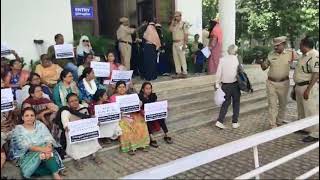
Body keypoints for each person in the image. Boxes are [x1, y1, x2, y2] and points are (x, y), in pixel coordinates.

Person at [9, 107, 64, 179]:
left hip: (46, 153)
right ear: (22, 118)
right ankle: (54, 170)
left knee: (46, 147)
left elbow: (48, 138)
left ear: (35, 117)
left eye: (32, 115)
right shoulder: (18, 129)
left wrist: (48, 147)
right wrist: (43, 149)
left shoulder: (39, 125)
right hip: (26, 155)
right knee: (34, 170)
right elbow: (25, 146)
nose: (30, 118)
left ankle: (56, 175)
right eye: (27, 115)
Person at [257, 36, 297, 129]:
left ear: (283, 44)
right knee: (272, 104)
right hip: (271, 83)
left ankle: (279, 121)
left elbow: (303, 59)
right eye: (274, 45)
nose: (275, 47)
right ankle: (272, 124)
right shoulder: (270, 54)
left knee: (283, 103)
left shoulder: (290, 54)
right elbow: (264, 67)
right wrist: (260, 62)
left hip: (284, 83)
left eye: (277, 45)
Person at [60, 93, 102, 170]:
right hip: (72, 133)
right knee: (75, 145)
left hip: (84, 131)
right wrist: (69, 128)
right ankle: (77, 160)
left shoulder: (83, 107)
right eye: (71, 101)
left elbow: (89, 119)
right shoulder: (65, 111)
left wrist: (95, 123)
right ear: (68, 103)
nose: (74, 102)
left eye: (76, 100)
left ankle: (94, 155)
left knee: (92, 138)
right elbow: (65, 125)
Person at [109, 81, 150, 155]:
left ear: (126, 88)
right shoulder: (113, 97)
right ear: (116, 89)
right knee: (126, 127)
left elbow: (136, 108)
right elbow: (113, 110)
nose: (122, 89)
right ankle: (130, 147)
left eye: (123, 87)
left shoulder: (130, 96)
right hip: (121, 116)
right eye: (119, 87)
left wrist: (139, 105)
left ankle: (142, 144)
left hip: (132, 114)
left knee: (140, 124)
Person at [293, 37, 319, 143]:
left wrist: (308, 90)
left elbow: (316, 73)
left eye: (300, 44)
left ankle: (315, 133)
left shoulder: (314, 55)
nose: (299, 46)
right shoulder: (303, 56)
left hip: (308, 87)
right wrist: (295, 88)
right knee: (302, 110)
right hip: (299, 86)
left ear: (304, 45)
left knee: (311, 110)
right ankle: (305, 128)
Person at [214, 45, 241, 129]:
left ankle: (220, 121)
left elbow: (218, 73)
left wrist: (217, 83)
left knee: (225, 103)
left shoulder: (222, 60)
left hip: (225, 85)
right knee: (236, 103)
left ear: (228, 51)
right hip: (236, 84)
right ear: (236, 51)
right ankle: (235, 122)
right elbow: (241, 72)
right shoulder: (237, 59)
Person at [138, 82, 172, 148]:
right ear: (143, 89)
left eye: (150, 88)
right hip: (142, 113)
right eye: (146, 88)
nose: (148, 90)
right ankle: (151, 137)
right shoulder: (139, 96)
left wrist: (164, 108)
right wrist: (142, 111)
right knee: (148, 119)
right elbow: (138, 107)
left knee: (160, 116)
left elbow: (155, 105)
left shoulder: (153, 95)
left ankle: (166, 133)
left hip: (152, 112)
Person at [169, 11, 189, 79]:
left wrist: (184, 44)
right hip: (174, 43)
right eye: (175, 16)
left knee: (182, 58)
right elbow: (170, 30)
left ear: (180, 16)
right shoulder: (174, 24)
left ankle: (185, 72)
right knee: (176, 58)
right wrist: (172, 23)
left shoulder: (184, 24)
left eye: (177, 16)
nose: (175, 17)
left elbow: (186, 35)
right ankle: (178, 72)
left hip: (181, 42)